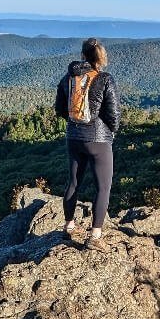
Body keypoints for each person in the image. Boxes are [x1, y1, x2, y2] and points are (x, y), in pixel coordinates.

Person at [54, 37, 120, 244]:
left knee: (73, 182)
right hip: (99, 140)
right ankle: (95, 234)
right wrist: (111, 133)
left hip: (73, 137)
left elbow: (60, 109)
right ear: (100, 56)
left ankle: (69, 225)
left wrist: (75, 124)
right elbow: (114, 114)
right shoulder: (105, 79)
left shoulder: (68, 79)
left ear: (82, 55)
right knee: (103, 187)